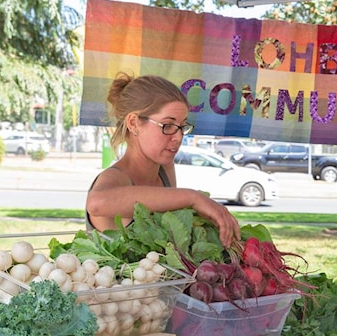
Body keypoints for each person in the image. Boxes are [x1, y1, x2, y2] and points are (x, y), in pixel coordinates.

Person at [86, 72, 240, 246]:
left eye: (182, 126)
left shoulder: (164, 169)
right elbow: (96, 204)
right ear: (134, 123)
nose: (178, 137)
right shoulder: (116, 177)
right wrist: (193, 197)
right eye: (168, 125)